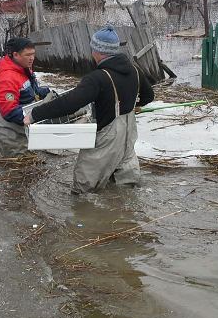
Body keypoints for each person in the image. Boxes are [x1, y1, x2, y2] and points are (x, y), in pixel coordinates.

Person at [24, 25, 154, 194]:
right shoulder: (135, 70)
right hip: (129, 133)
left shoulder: (98, 78)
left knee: (85, 185)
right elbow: (149, 96)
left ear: (97, 51)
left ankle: (87, 212)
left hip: (108, 136)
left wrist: (34, 115)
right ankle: (124, 211)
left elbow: (70, 103)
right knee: (126, 182)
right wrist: (134, 106)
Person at [0, 37, 51, 157]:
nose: (32, 58)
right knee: (21, 170)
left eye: (33, 54)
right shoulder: (7, 78)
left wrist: (45, 92)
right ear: (16, 55)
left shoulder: (24, 68)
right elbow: (10, 112)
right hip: (10, 135)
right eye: (27, 55)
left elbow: (29, 91)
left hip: (22, 129)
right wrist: (38, 114)